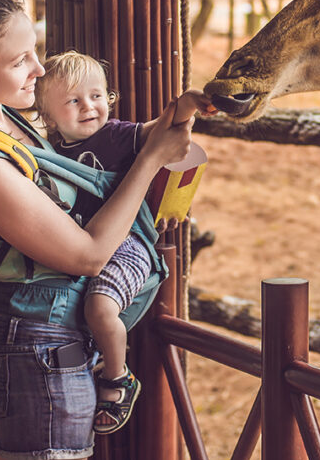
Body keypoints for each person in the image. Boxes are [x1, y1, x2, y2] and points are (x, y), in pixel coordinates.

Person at [0, 0, 193, 460]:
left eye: (36, 51)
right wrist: (152, 160)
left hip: (54, 338)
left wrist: (173, 120)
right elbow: (88, 255)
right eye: (20, 61)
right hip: (35, 351)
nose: (38, 69)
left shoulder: (6, 118)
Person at [33, 51, 213, 434]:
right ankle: (96, 356)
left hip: (126, 245)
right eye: (73, 101)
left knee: (99, 309)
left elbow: (163, 126)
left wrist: (189, 103)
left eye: (97, 96)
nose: (89, 107)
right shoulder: (47, 152)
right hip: (82, 245)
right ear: (48, 117)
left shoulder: (115, 136)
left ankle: (118, 377)